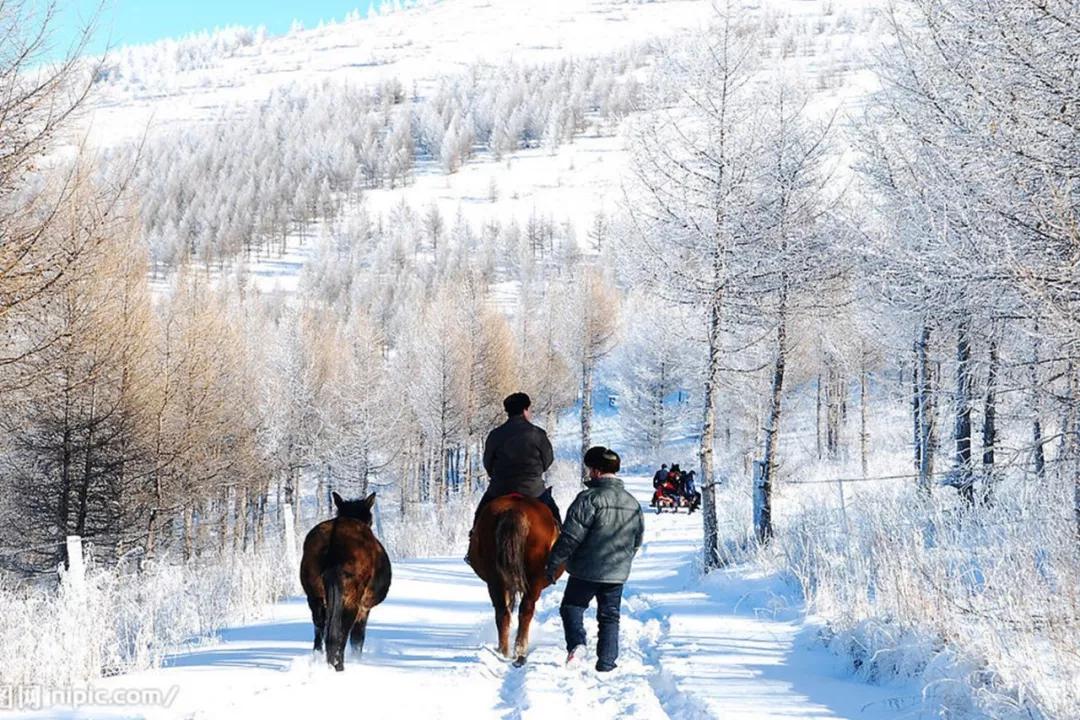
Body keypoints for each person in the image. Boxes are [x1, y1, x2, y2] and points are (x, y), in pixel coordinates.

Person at [545, 446, 644, 673]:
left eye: (590, 469)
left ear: (597, 471)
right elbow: (637, 539)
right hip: (617, 572)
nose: (589, 473)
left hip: (585, 570)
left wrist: (553, 562)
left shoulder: (588, 499)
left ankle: (577, 645)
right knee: (610, 617)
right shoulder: (632, 503)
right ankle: (607, 663)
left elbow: (570, 537)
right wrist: (623, 561)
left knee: (571, 607)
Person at [472, 392, 560, 529]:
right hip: (533, 489)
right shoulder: (538, 434)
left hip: (500, 489)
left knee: (479, 518)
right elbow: (548, 460)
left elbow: (487, 463)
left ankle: (473, 540)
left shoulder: (495, 435)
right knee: (554, 516)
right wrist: (535, 474)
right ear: (525, 410)